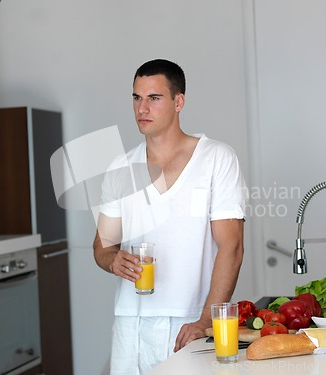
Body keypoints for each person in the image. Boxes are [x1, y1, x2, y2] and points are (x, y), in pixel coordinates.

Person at [93, 59, 247, 374]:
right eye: (136, 98)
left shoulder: (216, 158)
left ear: (179, 102)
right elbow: (102, 246)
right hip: (130, 324)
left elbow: (232, 247)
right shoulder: (121, 168)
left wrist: (206, 320)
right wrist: (112, 260)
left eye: (154, 98)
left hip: (189, 321)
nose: (142, 108)